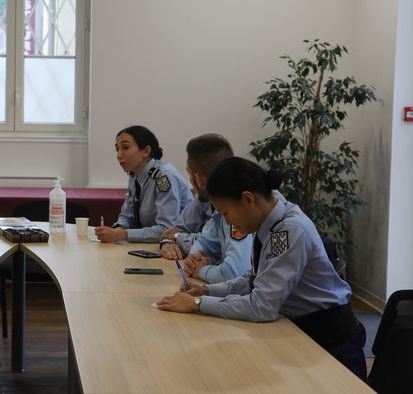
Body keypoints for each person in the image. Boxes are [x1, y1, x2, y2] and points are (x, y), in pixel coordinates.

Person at [156, 157, 366, 379]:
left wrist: (197, 304)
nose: (227, 223)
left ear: (248, 199)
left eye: (226, 213)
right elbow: (254, 279)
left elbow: (262, 306)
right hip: (302, 328)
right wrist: (207, 291)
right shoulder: (266, 219)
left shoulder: (288, 230)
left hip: (331, 341)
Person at [159, 134, 251, 283]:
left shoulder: (237, 206)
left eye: (188, 172)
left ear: (199, 179)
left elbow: (235, 273)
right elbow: (205, 240)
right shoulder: (217, 203)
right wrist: (195, 257)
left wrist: (201, 270)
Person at [95, 125, 193, 243]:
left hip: (177, 246)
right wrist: (117, 228)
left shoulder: (164, 177)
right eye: (117, 149)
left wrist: (121, 234)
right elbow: (127, 215)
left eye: (125, 147)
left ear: (146, 151)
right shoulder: (134, 174)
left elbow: (166, 230)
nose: (119, 155)